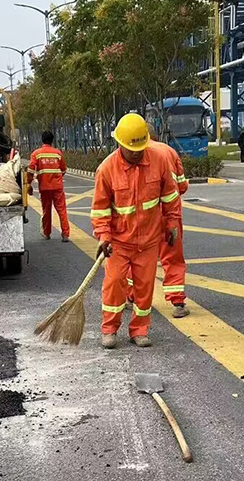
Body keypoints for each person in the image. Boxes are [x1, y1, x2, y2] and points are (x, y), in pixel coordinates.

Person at [91, 113, 182, 349]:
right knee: (114, 285)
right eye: (132, 150)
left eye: (141, 148)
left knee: (144, 289)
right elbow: (100, 209)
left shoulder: (159, 160)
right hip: (119, 242)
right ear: (120, 143)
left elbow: (171, 197)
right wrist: (103, 236)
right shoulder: (107, 170)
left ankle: (139, 330)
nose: (137, 153)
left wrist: (171, 224)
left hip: (149, 241)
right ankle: (109, 329)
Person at [126, 125, 190, 319]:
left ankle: (132, 297)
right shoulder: (169, 151)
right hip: (170, 214)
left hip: (145, 217)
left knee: (138, 258)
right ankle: (177, 302)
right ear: (154, 135)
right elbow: (182, 186)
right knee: (173, 257)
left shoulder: (134, 152)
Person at [27, 131, 71, 243]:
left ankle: (47, 233)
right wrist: (57, 177)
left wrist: (29, 183)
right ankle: (65, 234)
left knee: (46, 210)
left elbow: (31, 169)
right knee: (62, 210)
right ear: (52, 140)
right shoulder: (58, 153)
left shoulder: (36, 154)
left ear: (42, 140)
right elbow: (64, 169)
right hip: (57, 186)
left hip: (44, 187)